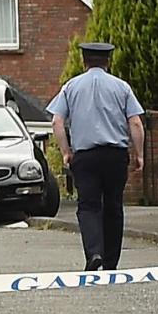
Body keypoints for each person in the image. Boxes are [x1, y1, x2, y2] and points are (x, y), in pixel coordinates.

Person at [48, 41, 146, 271]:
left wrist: (65, 152)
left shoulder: (70, 87)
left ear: (84, 62)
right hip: (115, 156)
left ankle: (94, 253)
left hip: (85, 157)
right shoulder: (122, 87)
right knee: (113, 205)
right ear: (108, 62)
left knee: (89, 206)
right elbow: (136, 122)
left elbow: (57, 121)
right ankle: (111, 262)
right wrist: (139, 153)